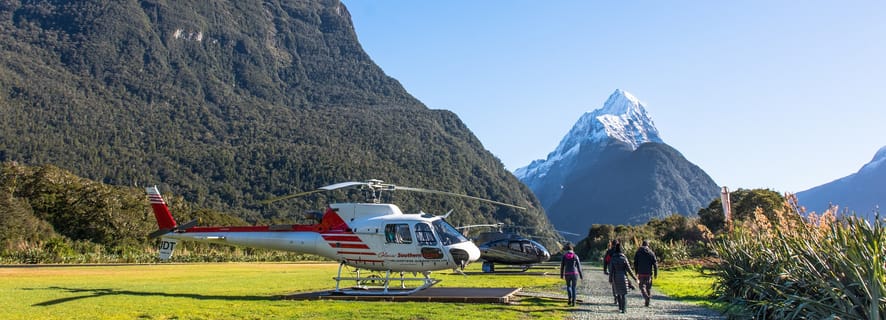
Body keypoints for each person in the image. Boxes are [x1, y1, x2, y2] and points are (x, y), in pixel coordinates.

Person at [608, 243, 637, 313]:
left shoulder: (613, 258)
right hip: (623, 277)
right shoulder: (624, 258)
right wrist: (635, 278)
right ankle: (624, 309)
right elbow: (629, 269)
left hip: (615, 277)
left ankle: (620, 307)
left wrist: (610, 279)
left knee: (618, 292)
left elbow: (611, 270)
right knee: (624, 294)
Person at [634, 240, 659, 307]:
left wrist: (636, 272)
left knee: (642, 286)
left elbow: (635, 263)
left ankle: (646, 297)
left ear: (642, 245)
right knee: (648, 287)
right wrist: (656, 273)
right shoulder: (651, 253)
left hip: (641, 272)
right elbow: (655, 264)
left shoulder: (638, 252)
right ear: (648, 245)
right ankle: (647, 302)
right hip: (649, 273)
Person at [602, 239, 619, 305]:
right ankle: (620, 296)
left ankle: (615, 298)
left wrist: (605, 270)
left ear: (612, 244)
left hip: (611, 269)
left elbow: (606, 261)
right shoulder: (620, 251)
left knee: (613, 284)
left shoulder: (609, 252)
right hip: (619, 269)